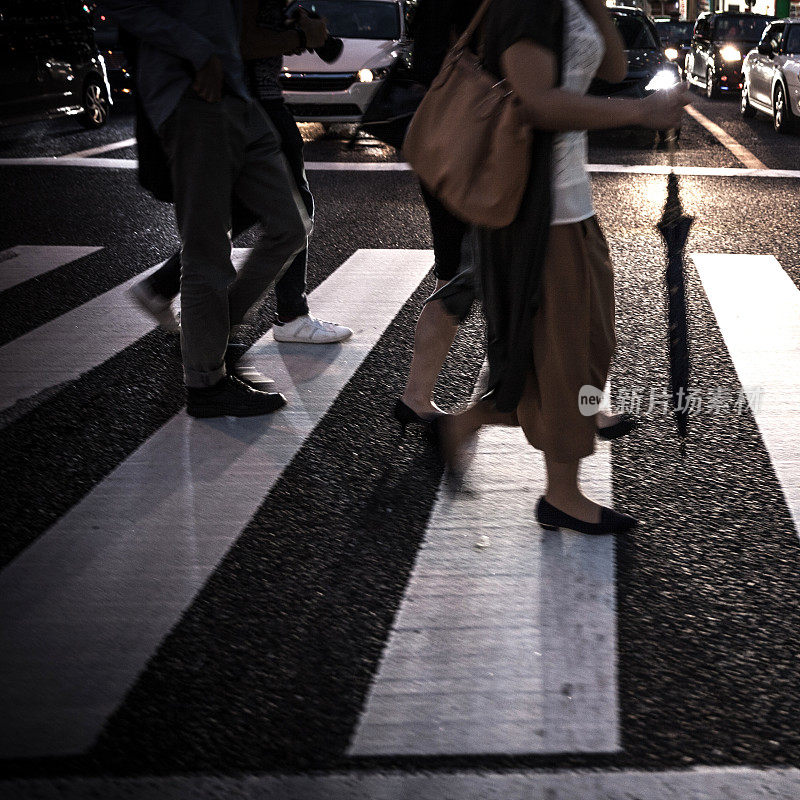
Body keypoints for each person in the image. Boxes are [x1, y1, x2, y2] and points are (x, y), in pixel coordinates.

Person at [434, 0, 688, 534]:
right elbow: (540, 104)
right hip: (535, 212)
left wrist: (596, 9)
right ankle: (562, 494)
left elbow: (613, 71)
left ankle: (470, 420)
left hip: (574, 205)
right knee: (567, 356)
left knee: (593, 349)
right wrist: (643, 112)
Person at [129, 0, 352, 348]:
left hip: (243, 100)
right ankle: (280, 318)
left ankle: (177, 301)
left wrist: (302, 30)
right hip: (242, 101)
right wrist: (297, 36)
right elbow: (241, 41)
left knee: (262, 216)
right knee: (282, 214)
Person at [392, 0, 482, 431]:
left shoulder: (430, 11)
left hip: (445, 154)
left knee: (455, 273)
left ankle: (417, 395)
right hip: (477, 155)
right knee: (490, 276)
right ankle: (493, 399)